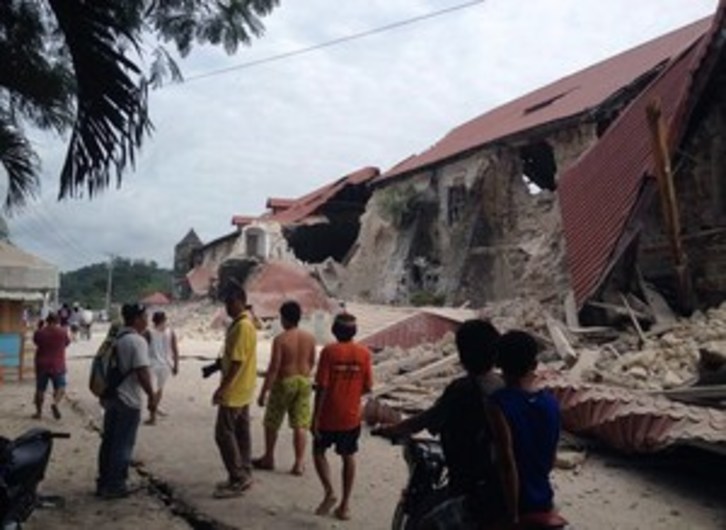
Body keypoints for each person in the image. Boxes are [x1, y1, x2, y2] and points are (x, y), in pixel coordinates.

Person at [373, 319, 504, 529]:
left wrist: (393, 429)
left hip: (472, 488)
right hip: (500, 485)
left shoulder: (463, 390)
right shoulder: (503, 385)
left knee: (424, 522)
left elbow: (427, 418)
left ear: (462, 355)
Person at [488, 330, 561, 526]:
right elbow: (551, 458)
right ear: (534, 365)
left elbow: (506, 462)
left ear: (498, 365)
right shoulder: (551, 403)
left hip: (509, 502)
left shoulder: (499, 404)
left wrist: (512, 515)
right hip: (543, 498)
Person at [311, 313, 373, 521]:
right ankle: (345, 506)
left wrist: (315, 418)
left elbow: (322, 387)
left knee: (319, 452)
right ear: (354, 332)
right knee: (349, 457)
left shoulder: (329, 352)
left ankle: (330, 492)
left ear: (334, 331)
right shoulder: (364, 353)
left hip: (328, 415)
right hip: (350, 417)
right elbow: (367, 387)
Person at [96, 303, 157, 499]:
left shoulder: (117, 338)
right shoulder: (137, 341)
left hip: (111, 397)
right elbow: (142, 372)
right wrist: (152, 395)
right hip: (128, 399)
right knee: (123, 444)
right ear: (137, 319)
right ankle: (116, 485)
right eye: (145, 316)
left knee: (109, 441)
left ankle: (104, 481)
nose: (147, 320)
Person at [254, 300, 316, 475]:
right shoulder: (310, 338)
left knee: (272, 421)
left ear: (284, 318)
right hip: (304, 381)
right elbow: (311, 361)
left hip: (285, 382)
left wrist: (263, 392)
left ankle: (269, 457)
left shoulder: (280, 339)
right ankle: (299, 463)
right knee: (300, 424)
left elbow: (274, 368)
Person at [212, 287, 258, 499]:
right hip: (244, 388)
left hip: (235, 389)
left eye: (230, 303)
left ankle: (238, 476)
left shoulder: (241, 327)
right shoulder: (244, 324)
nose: (227, 308)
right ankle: (244, 471)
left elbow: (238, 362)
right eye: (226, 303)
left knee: (223, 434)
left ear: (240, 301)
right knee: (241, 432)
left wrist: (223, 388)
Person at [143, 311, 180, 425]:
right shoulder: (171, 332)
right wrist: (176, 365)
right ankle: (155, 409)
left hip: (152, 364)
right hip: (166, 365)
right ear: (165, 319)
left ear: (153, 321)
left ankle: (152, 416)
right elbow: (175, 350)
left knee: (152, 391)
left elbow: (143, 348)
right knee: (159, 389)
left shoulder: (148, 332)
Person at [32, 312, 70, 420]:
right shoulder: (63, 332)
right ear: (57, 321)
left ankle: (38, 413)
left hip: (42, 363)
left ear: (47, 321)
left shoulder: (40, 332)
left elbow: (36, 342)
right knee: (60, 388)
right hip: (58, 364)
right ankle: (55, 403)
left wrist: (39, 327)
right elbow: (67, 343)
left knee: (40, 389)